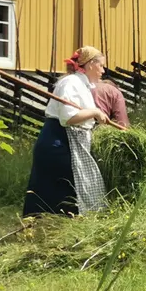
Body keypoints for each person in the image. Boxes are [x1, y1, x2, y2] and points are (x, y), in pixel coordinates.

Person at [23, 46, 111, 217]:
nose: (103, 70)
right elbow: (67, 118)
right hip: (58, 142)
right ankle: (45, 224)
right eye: (101, 65)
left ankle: (57, 223)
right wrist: (94, 113)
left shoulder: (83, 86)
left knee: (68, 186)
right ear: (91, 65)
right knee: (61, 186)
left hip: (69, 141)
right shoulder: (70, 83)